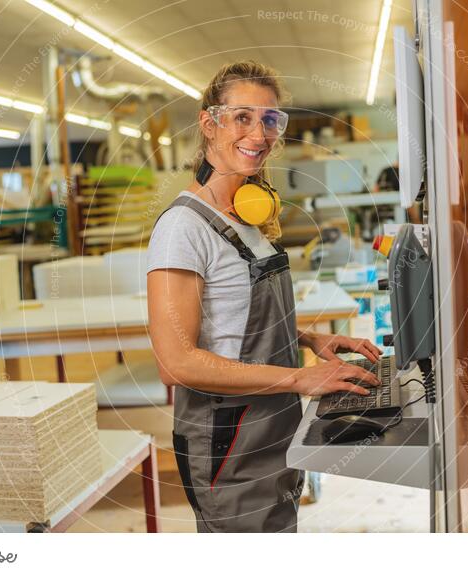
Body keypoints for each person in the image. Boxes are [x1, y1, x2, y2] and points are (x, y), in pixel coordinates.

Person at [146, 61, 382, 533]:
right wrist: (300, 378)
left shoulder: (245, 217)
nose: (259, 132)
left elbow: (231, 318)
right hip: (229, 440)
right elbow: (175, 362)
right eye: (242, 117)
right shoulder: (183, 228)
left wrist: (308, 337)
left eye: (270, 119)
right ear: (209, 123)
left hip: (274, 428)